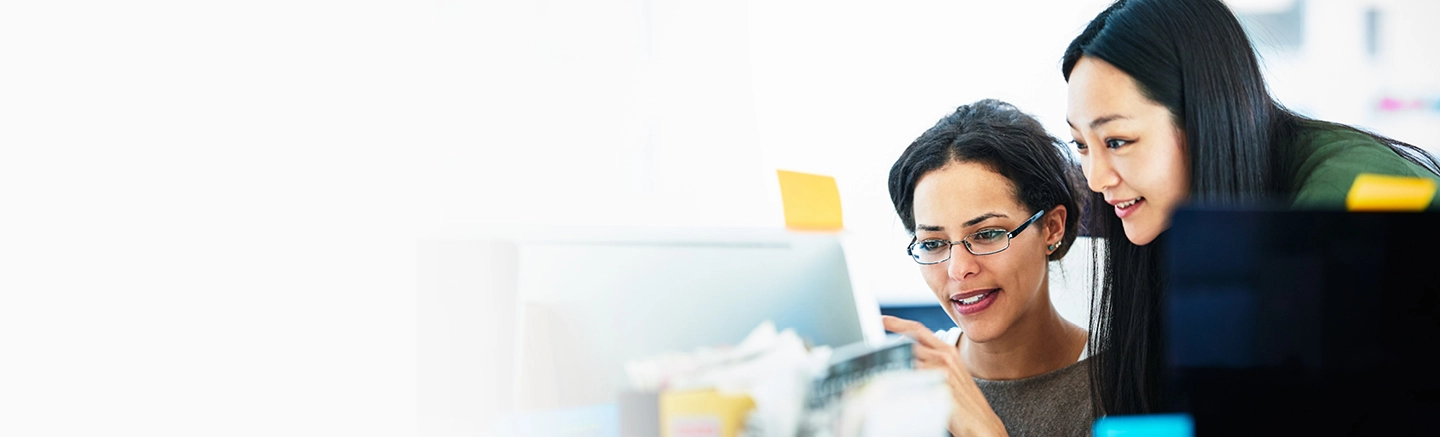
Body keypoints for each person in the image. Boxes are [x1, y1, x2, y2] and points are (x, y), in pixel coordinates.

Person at [1061, 0, 1440, 415]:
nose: (1096, 179)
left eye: (1116, 142)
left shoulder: (1346, 206)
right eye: (1081, 145)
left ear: (1204, 116)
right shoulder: (1195, 193)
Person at [882, 99, 1092, 437]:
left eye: (987, 234)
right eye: (933, 243)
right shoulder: (902, 390)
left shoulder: (1126, 387)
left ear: (1052, 227)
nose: (958, 269)